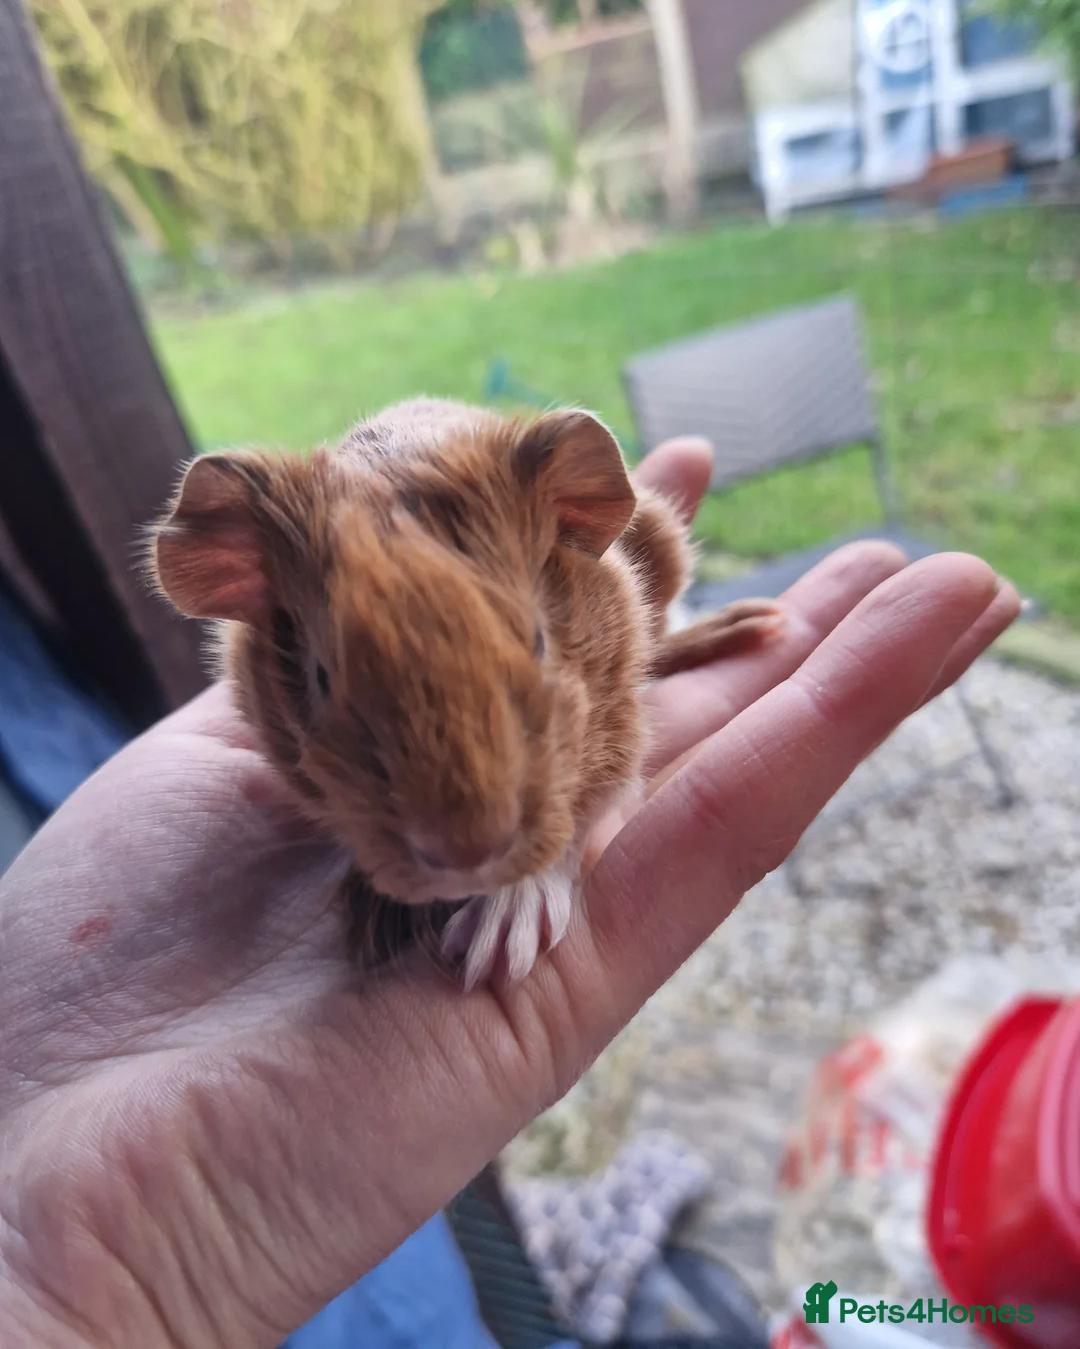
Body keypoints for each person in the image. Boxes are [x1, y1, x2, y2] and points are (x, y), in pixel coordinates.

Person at [0, 438, 1019, 1349]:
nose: (460, 841)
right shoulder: (265, 649)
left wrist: (564, 836)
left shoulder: (593, 602)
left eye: (526, 644)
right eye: (323, 678)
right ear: (245, 588)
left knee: (654, 555)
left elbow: (615, 703)